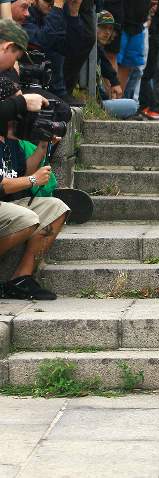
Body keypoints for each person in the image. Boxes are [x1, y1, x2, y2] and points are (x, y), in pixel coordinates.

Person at [0, 21, 69, 300]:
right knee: (27, 217)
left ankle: (21, 278)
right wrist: (31, 180)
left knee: (55, 207)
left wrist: (42, 146)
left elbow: (22, 173)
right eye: (16, 55)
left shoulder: (11, 138)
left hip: (9, 202)